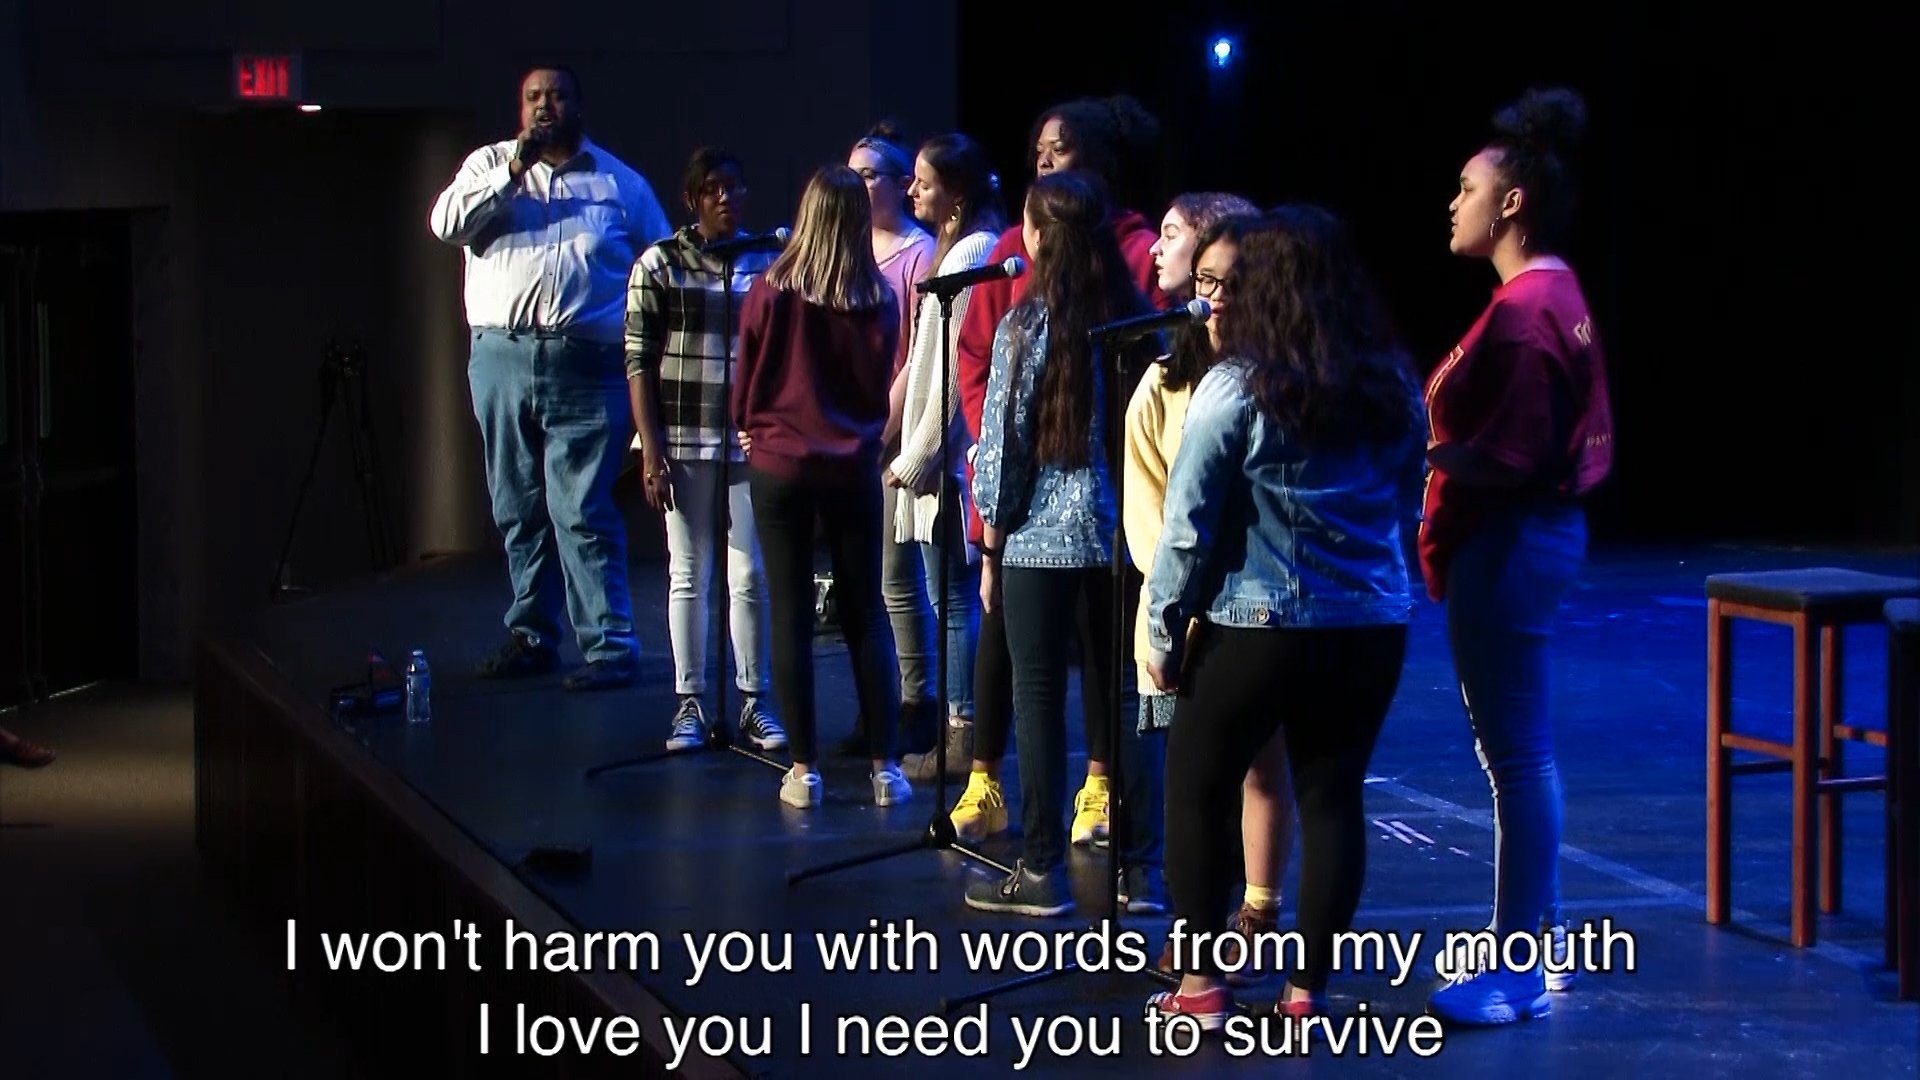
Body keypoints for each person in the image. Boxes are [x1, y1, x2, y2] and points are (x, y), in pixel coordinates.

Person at [1144, 206, 1425, 1026]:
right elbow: (1408, 499)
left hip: (1256, 628)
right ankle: (1308, 995)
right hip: (1370, 625)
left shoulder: (1235, 385)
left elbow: (1188, 526)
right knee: (1334, 797)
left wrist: (1163, 629)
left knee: (1196, 786)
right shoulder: (1390, 381)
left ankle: (1201, 989)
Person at [1423, 88, 1613, 1026]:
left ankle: (1518, 971)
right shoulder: (1548, 292)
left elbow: (1517, 454)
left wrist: (1422, 455)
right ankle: (1539, 937)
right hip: (1515, 545)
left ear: (1511, 204)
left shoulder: (1530, 307)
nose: (1451, 203)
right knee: (1520, 755)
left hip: (1509, 546)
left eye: (1467, 188)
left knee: (1518, 757)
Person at [947, 95, 1166, 866]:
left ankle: (1041, 867)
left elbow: (1004, 447)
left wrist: (992, 538)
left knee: (1041, 696)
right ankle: (1141, 875)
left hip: (1038, 536)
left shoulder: (1030, 324)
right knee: (1126, 693)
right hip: (1122, 538)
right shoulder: (1136, 319)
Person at [429, 66, 670, 691]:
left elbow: (663, 268)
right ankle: (532, 635)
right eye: (533, 97)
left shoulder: (621, 184)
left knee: (583, 508)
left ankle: (610, 647)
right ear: (520, 107)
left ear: (578, 106)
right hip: (502, 356)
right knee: (517, 504)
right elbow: (446, 225)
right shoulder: (488, 166)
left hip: (588, 366)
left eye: (556, 96)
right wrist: (514, 171)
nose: (544, 106)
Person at [1129, 200, 1296, 978]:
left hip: (1258, 610)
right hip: (1193, 607)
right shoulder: (1166, 383)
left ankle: (1252, 918)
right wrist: (1171, 615)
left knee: (1260, 768)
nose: (1214, 298)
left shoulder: (1276, 381)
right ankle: (1199, 936)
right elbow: (1158, 513)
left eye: (1229, 281)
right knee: (1193, 777)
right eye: (1204, 281)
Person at [732, 166, 907, 809]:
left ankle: (804, 771)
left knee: (792, 614)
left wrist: (750, 425)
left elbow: (747, 377)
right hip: (851, 467)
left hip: (780, 466)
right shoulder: (880, 299)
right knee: (867, 614)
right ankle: (887, 769)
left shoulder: (770, 291)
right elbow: (871, 392)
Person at [626, 147, 784, 751]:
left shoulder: (765, 260)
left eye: (734, 186)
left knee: (749, 573)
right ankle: (689, 702)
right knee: (688, 571)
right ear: (692, 199)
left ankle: (753, 700)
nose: (726, 197)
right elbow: (638, 358)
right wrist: (650, 450)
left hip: (747, 442)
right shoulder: (660, 264)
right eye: (713, 188)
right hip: (684, 440)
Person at [886, 133, 1002, 783]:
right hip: (938, 460)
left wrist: (920, 455)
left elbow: (961, 369)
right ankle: (960, 728)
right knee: (946, 598)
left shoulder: (975, 252)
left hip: (949, 466)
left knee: (955, 601)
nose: (912, 192)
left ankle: (962, 733)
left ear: (955, 192)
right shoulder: (955, 249)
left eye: (924, 182)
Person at [839, 124, 940, 758]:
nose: (859, 185)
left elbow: (917, 352)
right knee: (864, 579)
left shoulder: (918, 254)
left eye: (870, 174)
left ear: (903, 185)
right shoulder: (844, 247)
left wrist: (886, 427)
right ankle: (877, 705)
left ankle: (918, 701)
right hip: (843, 429)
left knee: (899, 576)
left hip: (891, 431)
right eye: (852, 174)